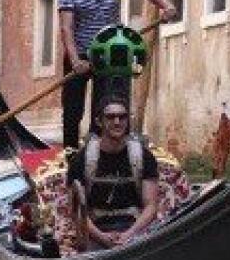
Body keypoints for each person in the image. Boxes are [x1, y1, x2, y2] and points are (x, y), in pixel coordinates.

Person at [59, 0, 176, 148]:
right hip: (79, 52)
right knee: (72, 111)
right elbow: (66, 28)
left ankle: (103, 152)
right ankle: (70, 156)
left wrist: (165, 5)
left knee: (108, 106)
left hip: (109, 53)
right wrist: (76, 60)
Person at [65, 96, 160, 250]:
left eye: (122, 117)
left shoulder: (143, 156)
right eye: (110, 117)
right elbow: (76, 211)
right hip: (95, 229)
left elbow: (151, 206)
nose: (117, 122)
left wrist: (129, 235)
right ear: (99, 121)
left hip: (134, 228)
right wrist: (102, 238)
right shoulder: (81, 159)